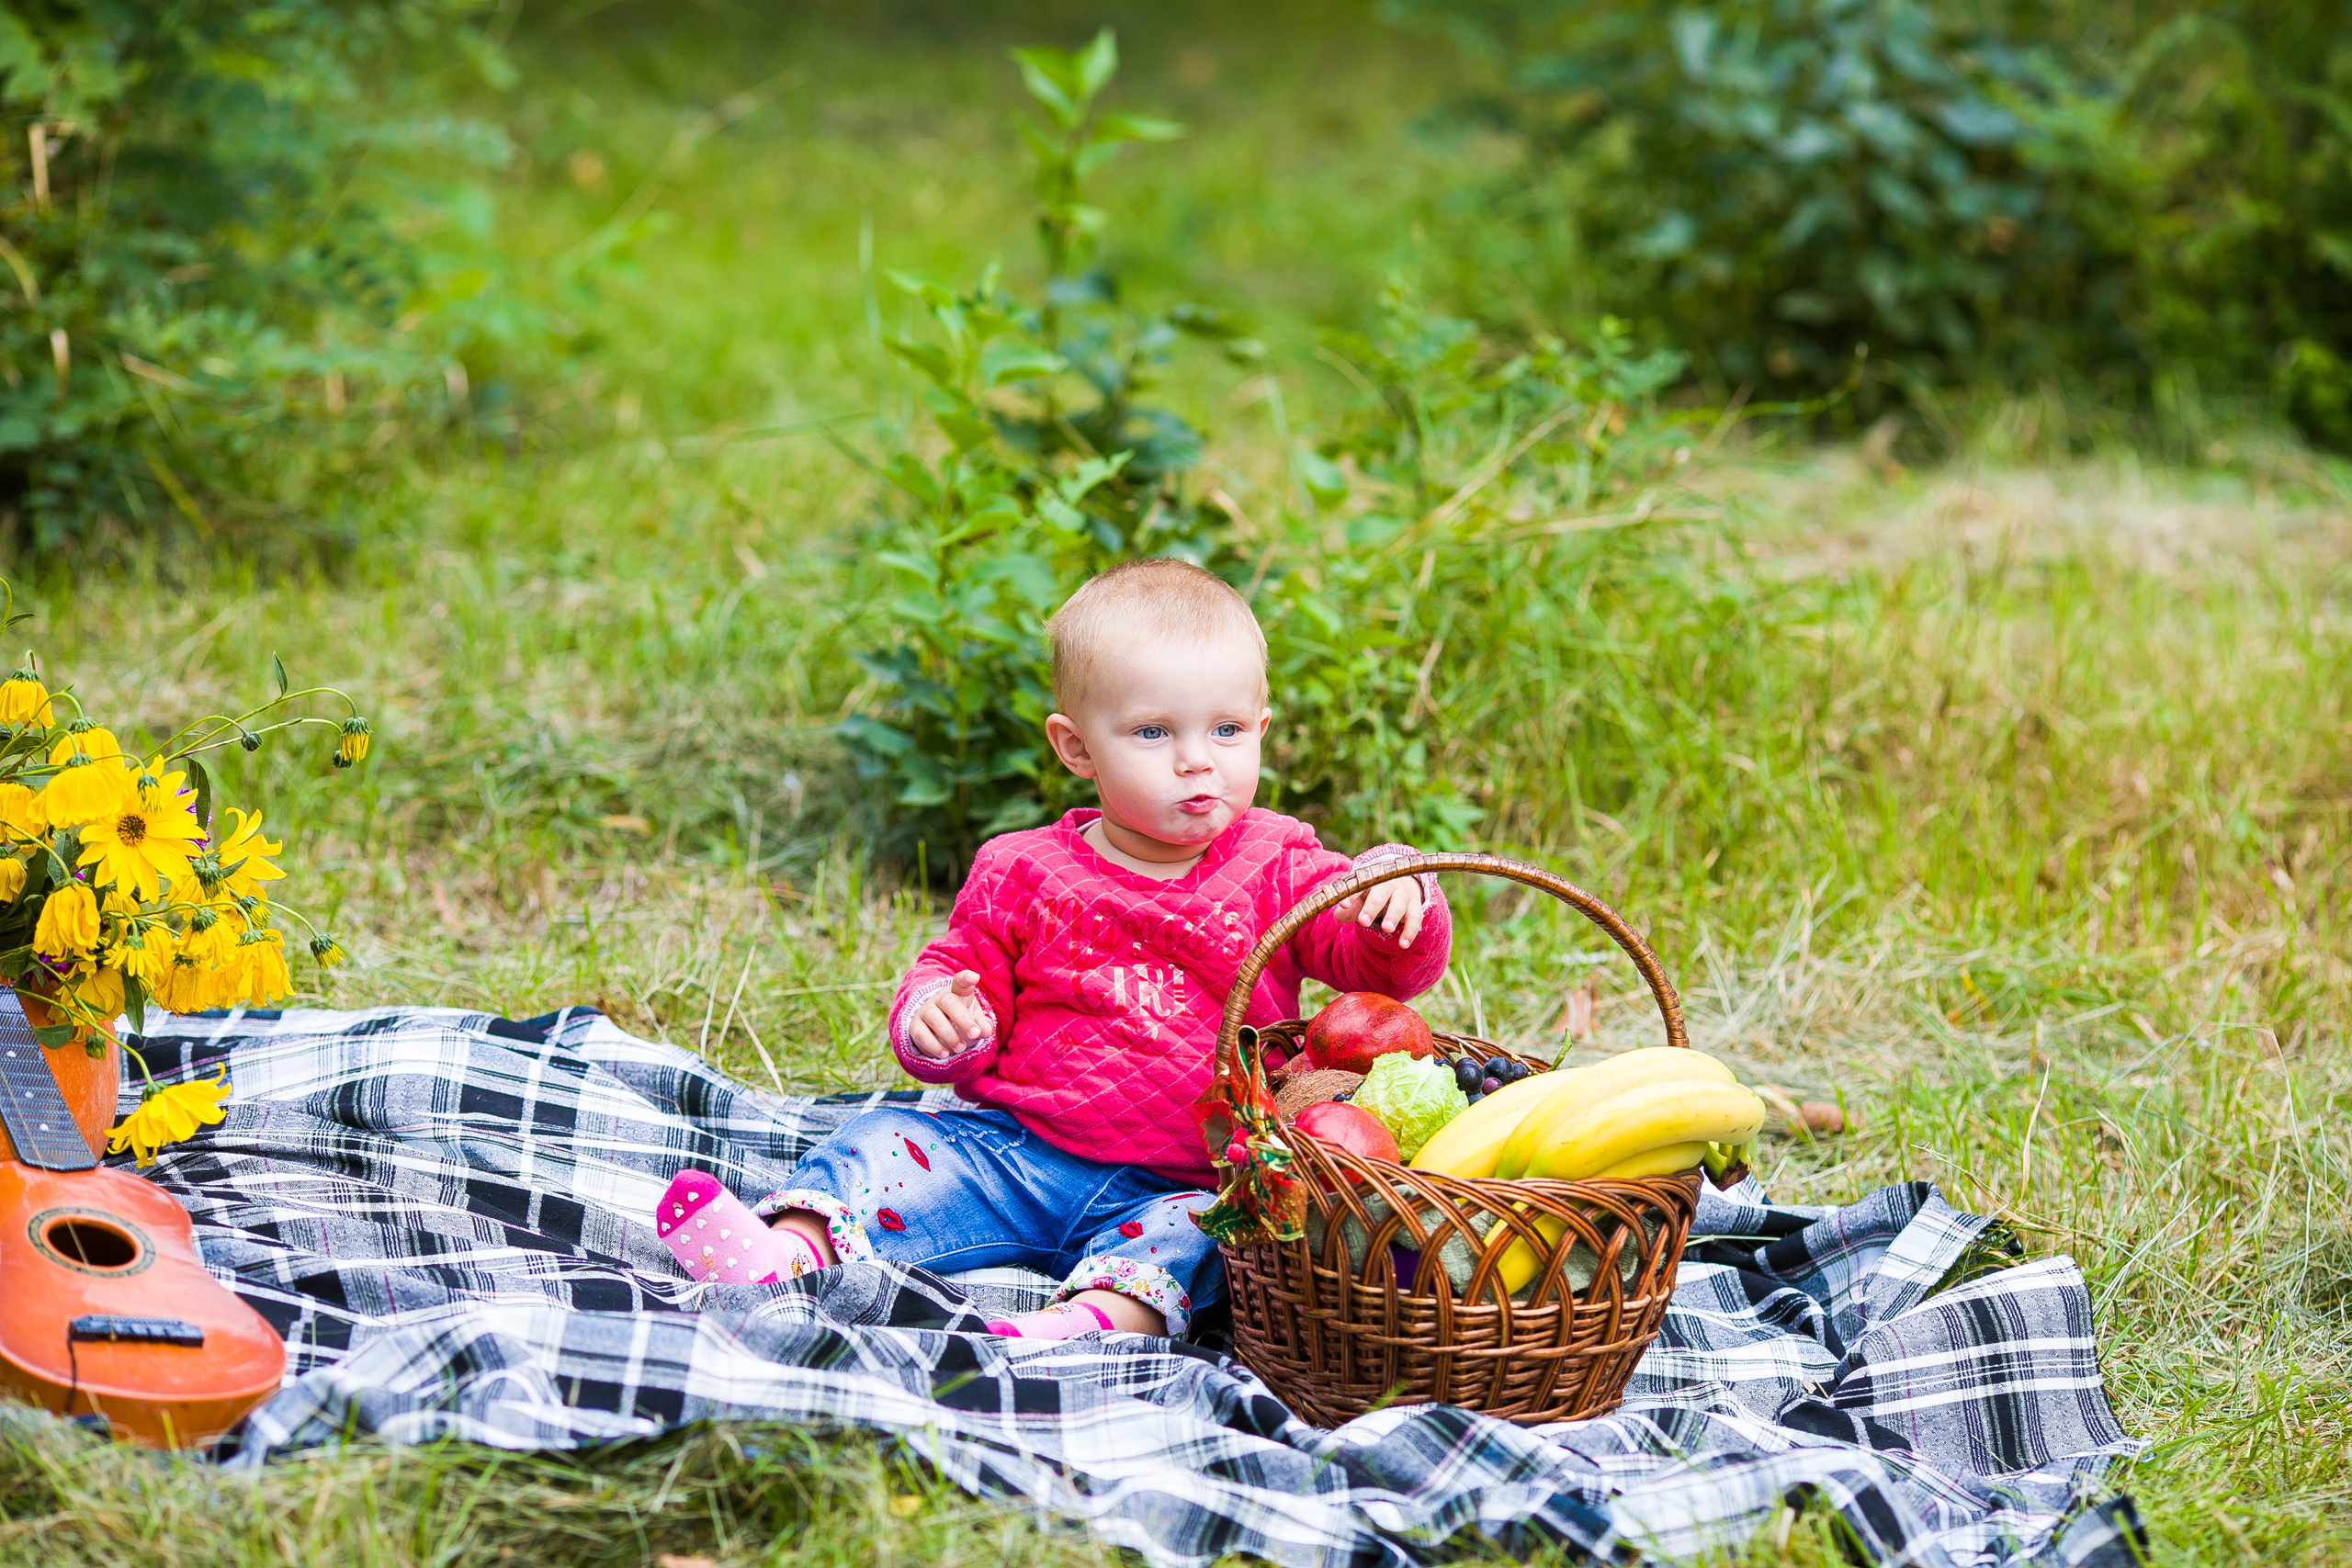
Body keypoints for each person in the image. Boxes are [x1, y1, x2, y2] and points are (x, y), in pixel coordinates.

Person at [654, 558, 1452, 1339]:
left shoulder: (1278, 863)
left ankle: (1088, 1320)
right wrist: (940, 1019)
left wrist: (1391, 892)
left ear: (1261, 728)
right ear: (1076, 748)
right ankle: (788, 1252)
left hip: (1182, 1177)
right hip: (1010, 1156)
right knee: (882, 1141)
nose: (1196, 758)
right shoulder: (1023, 869)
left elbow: (1378, 972)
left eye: (1226, 729)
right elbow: (960, 975)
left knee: (1220, 1232)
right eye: (1152, 731)